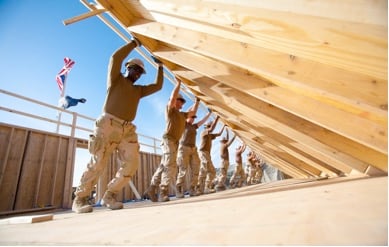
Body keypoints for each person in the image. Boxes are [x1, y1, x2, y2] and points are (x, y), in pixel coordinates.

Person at [72, 38, 164, 213]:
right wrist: (134, 43)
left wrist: (160, 67)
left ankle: (110, 195)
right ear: (127, 68)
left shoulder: (139, 91)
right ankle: (80, 198)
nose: (137, 74)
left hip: (127, 129)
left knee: (132, 162)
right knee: (98, 161)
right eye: (135, 69)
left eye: (140, 72)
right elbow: (115, 58)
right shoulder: (116, 79)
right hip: (108, 124)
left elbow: (158, 86)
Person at [147, 78, 196, 202]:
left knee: (165, 165)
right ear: (175, 101)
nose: (181, 103)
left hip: (175, 142)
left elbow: (192, 112)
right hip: (168, 139)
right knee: (171, 165)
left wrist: (198, 101)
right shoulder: (170, 111)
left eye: (182, 102)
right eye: (180, 101)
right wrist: (178, 84)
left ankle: (152, 188)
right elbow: (173, 97)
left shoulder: (182, 115)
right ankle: (163, 192)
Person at [175, 101, 211, 198]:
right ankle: (179, 190)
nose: (192, 119)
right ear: (188, 117)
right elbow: (190, 111)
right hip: (184, 148)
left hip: (193, 149)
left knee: (196, 169)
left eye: (194, 118)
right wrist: (196, 103)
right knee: (183, 170)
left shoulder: (194, 126)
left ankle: (192, 189)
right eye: (191, 117)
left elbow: (202, 121)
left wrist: (209, 114)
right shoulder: (183, 123)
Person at [197, 116, 225, 194]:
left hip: (207, 154)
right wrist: (217, 118)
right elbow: (212, 129)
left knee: (212, 171)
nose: (211, 125)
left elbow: (219, 134)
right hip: (203, 152)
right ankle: (198, 187)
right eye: (210, 125)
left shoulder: (210, 135)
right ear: (206, 127)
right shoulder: (204, 132)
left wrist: (224, 126)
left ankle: (207, 187)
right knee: (203, 169)